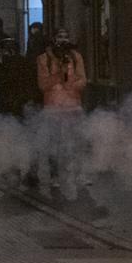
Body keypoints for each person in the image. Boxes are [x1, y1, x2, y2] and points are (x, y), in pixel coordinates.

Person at [35, 27, 87, 193]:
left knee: (76, 142)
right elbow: (43, 85)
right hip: (53, 107)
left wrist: (70, 84)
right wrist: (60, 74)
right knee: (54, 143)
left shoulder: (75, 57)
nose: (63, 40)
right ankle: (55, 176)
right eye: (60, 36)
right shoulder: (44, 59)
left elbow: (83, 80)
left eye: (66, 36)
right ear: (54, 39)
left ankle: (78, 174)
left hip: (73, 106)